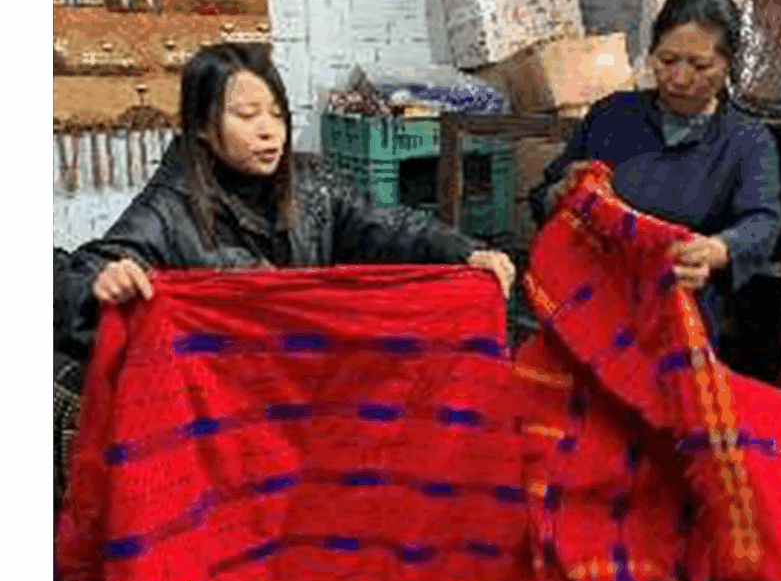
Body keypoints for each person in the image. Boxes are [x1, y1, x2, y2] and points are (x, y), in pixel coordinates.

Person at [526, 0, 781, 581]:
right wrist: (561, 191)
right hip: (596, 333)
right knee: (591, 470)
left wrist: (720, 251)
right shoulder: (612, 118)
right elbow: (548, 193)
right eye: (666, 59)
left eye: (699, 65)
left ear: (728, 66)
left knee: (666, 488)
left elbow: (763, 221)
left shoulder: (746, 141)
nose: (678, 76)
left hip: (677, 338)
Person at [57, 43, 515, 360]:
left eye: (277, 114)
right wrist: (103, 282)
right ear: (200, 127)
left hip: (308, 382)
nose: (268, 130)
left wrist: (465, 252)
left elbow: (388, 225)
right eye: (246, 115)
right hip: (226, 403)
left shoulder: (312, 182)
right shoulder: (170, 206)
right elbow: (75, 277)